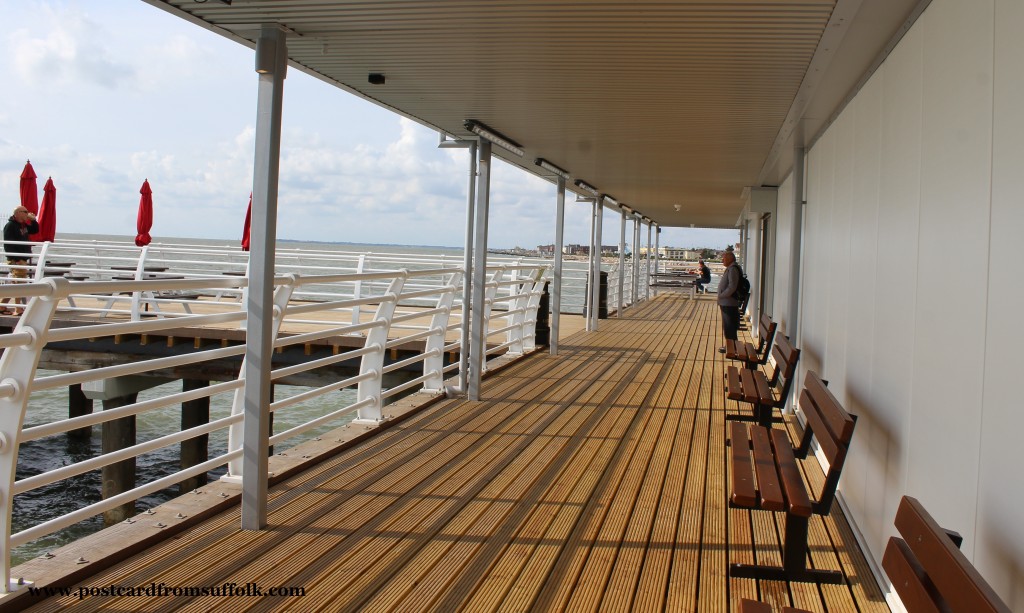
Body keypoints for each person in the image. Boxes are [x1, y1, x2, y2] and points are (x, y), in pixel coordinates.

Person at [2, 206, 39, 314]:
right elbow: (8, 245)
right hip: (16, 259)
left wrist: (33, 220)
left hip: (22, 257)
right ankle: (17, 308)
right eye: (25, 212)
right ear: (18, 213)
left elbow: (35, 230)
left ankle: (2, 306)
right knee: (19, 283)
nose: (27, 213)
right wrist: (17, 258)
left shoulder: (23, 225)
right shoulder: (10, 226)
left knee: (16, 283)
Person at [717, 250, 740, 352]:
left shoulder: (732, 269)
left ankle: (732, 348)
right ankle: (731, 346)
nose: (722, 260)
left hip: (729, 302)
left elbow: (732, 287)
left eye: (724, 258)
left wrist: (721, 295)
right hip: (727, 302)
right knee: (728, 325)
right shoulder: (731, 268)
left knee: (729, 325)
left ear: (730, 259)